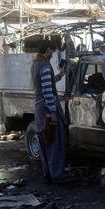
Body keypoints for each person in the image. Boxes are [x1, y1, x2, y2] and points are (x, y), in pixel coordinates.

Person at [31, 40, 68, 183]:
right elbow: (47, 91)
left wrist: (59, 75)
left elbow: (46, 83)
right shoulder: (45, 66)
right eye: (52, 51)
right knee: (54, 141)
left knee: (45, 140)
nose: (53, 54)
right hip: (47, 108)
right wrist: (52, 112)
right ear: (47, 49)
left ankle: (48, 173)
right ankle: (57, 175)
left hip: (39, 108)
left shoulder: (36, 64)